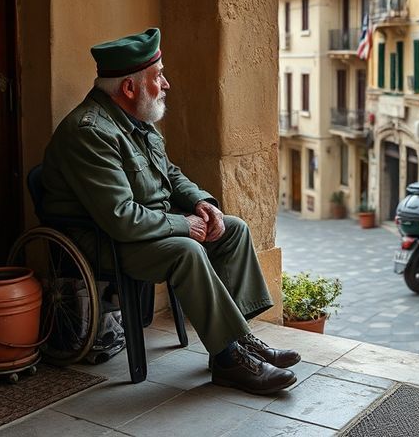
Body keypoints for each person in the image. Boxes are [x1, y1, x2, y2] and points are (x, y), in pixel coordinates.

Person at [41, 27, 300, 395]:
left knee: (234, 229)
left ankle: (237, 344)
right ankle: (229, 359)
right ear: (129, 88)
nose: (166, 84)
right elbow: (120, 218)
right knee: (187, 250)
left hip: (147, 230)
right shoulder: (90, 132)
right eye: (158, 76)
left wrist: (201, 203)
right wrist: (184, 224)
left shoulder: (135, 119)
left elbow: (171, 173)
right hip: (105, 241)